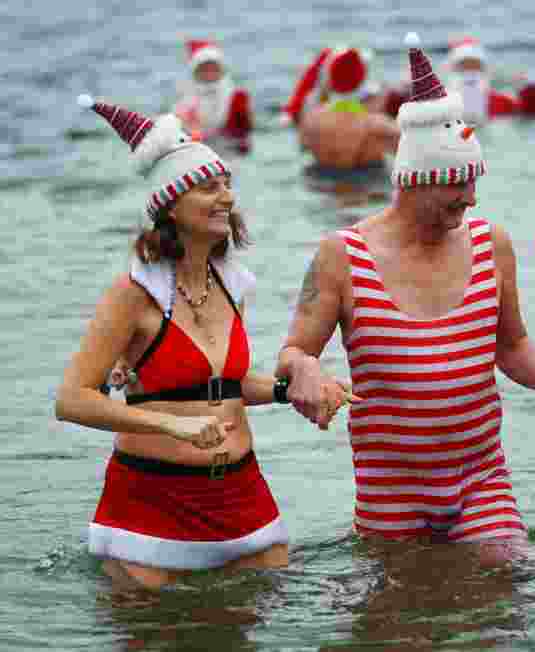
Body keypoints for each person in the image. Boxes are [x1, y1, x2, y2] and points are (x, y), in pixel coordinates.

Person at [273, 33, 535, 547]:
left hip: (481, 477)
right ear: (416, 179)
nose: (471, 197)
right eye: (458, 182)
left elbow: (510, 346)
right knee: (403, 619)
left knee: (504, 589)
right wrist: (306, 368)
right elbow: (291, 354)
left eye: (474, 180)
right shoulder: (341, 255)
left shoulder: (491, 243)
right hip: (390, 491)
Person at [56, 96, 351, 590]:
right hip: (152, 504)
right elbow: (72, 399)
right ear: (171, 205)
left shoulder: (232, 283)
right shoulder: (134, 293)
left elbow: (223, 386)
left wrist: (290, 392)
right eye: (209, 187)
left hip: (243, 497)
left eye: (228, 185)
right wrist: (169, 424)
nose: (227, 198)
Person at [279, 46, 402, 171]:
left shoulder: (309, 121)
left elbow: (303, 145)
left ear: (330, 82)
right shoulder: (378, 127)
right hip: (366, 186)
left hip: (321, 185)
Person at [173, 39, 253, 154]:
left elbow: (247, 129)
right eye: (204, 69)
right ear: (195, 72)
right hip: (199, 146)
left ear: (221, 70)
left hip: (230, 146)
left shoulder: (236, 97)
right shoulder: (186, 98)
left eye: (213, 68)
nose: (209, 73)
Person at [445, 36, 535, 125]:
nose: (470, 73)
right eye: (464, 67)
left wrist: (530, 88)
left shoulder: (501, 103)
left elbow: (534, 113)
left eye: (475, 67)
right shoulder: (439, 104)